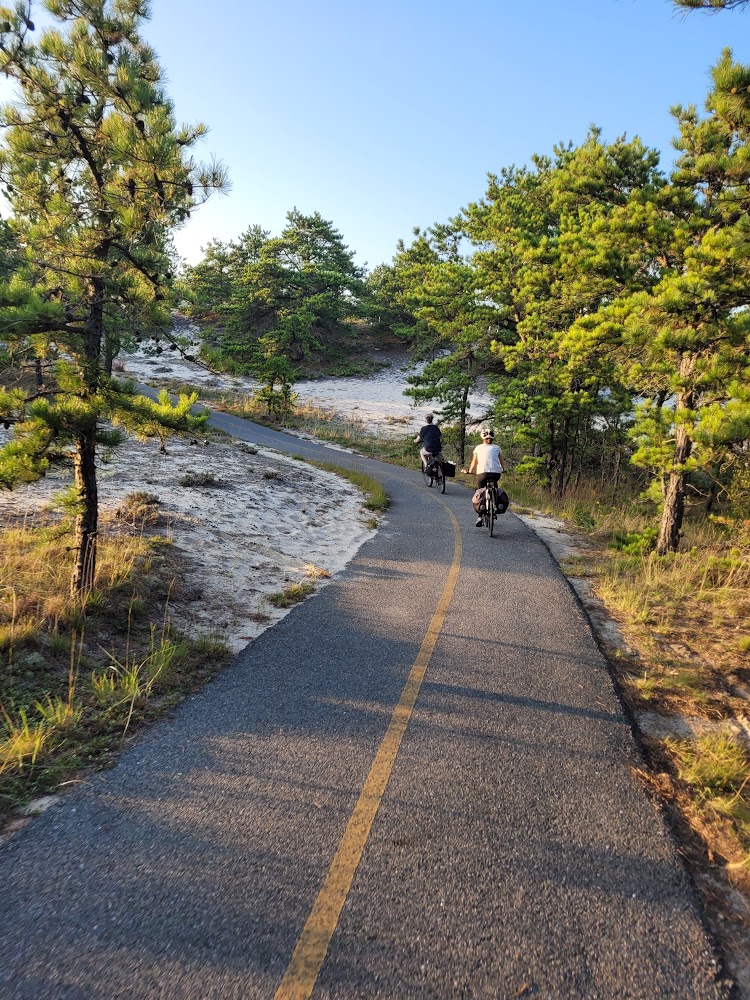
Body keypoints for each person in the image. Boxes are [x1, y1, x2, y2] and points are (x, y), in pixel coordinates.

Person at [463, 429, 506, 527]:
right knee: (494, 487)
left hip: (482, 473)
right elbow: (501, 462)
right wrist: (503, 469)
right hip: (496, 473)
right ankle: (494, 504)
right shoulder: (497, 448)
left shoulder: (478, 448)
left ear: (482, 438)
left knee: (480, 491)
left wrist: (470, 470)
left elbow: (474, 462)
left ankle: (480, 516)